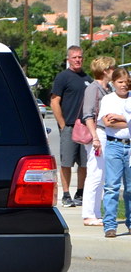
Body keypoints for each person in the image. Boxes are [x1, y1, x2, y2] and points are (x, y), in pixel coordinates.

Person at [50, 46, 93, 212]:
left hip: (86, 127)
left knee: (84, 163)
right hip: (69, 126)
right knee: (66, 162)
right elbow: (54, 101)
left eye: (80, 57)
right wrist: (62, 125)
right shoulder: (63, 77)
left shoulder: (87, 78)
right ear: (68, 59)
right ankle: (66, 194)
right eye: (74, 57)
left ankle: (80, 193)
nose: (78, 60)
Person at [80, 56, 115, 227]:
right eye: (112, 68)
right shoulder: (92, 89)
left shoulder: (108, 89)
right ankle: (88, 213)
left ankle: (96, 212)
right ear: (104, 70)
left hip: (105, 133)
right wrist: (94, 137)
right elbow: (88, 115)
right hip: (97, 134)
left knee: (101, 175)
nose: (114, 71)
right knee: (95, 173)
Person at [99, 67, 131, 239]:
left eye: (126, 83)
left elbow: (116, 120)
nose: (124, 86)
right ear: (113, 83)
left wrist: (120, 118)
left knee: (130, 188)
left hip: (130, 145)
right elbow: (108, 123)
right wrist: (128, 121)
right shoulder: (108, 100)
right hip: (115, 145)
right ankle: (110, 225)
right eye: (120, 82)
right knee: (112, 186)